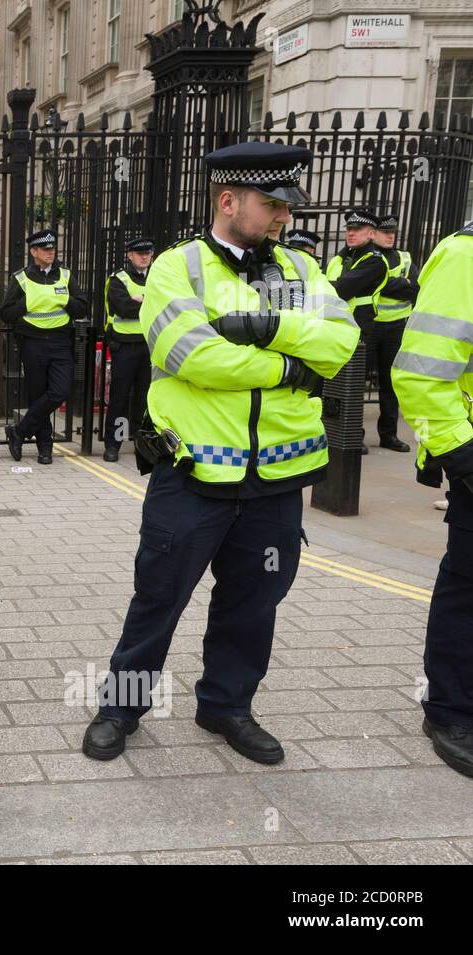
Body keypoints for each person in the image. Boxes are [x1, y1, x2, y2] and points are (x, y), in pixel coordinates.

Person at [80, 143, 358, 766]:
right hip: (194, 473)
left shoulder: (301, 271)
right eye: (272, 203)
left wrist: (263, 331)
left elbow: (341, 342)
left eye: (288, 203)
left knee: (255, 600)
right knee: (158, 597)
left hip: (276, 479)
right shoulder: (178, 268)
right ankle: (121, 707)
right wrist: (293, 367)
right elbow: (192, 357)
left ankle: (227, 706)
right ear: (228, 201)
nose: (285, 215)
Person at [392, 221, 473, 778]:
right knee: (468, 589)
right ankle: (451, 710)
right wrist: (462, 456)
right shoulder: (467, 256)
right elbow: (419, 375)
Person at [2, 228, 89, 464]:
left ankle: (19, 432)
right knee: (38, 394)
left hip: (61, 342)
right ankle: (45, 447)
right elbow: (6, 313)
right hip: (33, 343)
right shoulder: (20, 278)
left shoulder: (66, 275)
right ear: (34, 252)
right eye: (46, 249)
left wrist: (65, 299)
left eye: (53, 249)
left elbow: (82, 308)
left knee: (60, 391)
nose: (51, 253)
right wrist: (29, 303)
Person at [326, 209, 388, 454]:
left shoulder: (374, 260)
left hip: (360, 329)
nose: (350, 233)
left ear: (371, 234)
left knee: (352, 385)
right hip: (334, 326)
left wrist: (323, 287)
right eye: (348, 229)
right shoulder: (341, 258)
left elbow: (341, 289)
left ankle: (352, 436)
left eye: (357, 230)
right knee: (330, 381)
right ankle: (329, 431)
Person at [101, 236, 155, 462]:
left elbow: (171, 303)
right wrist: (149, 301)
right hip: (125, 346)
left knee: (145, 398)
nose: (145, 257)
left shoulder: (159, 278)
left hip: (150, 346)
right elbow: (123, 307)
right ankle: (113, 444)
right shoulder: (118, 279)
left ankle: (141, 443)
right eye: (139, 253)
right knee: (119, 398)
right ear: (129, 255)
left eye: (148, 253)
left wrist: (142, 299)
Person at [371, 213, 417, 453]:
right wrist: (400, 284)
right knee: (355, 384)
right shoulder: (369, 256)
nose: (390, 236)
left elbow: (415, 287)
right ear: (373, 233)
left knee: (391, 385)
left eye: (392, 232)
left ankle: (389, 435)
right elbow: (373, 283)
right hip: (370, 325)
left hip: (397, 327)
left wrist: (390, 284)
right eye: (385, 232)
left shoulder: (405, 258)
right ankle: (353, 435)